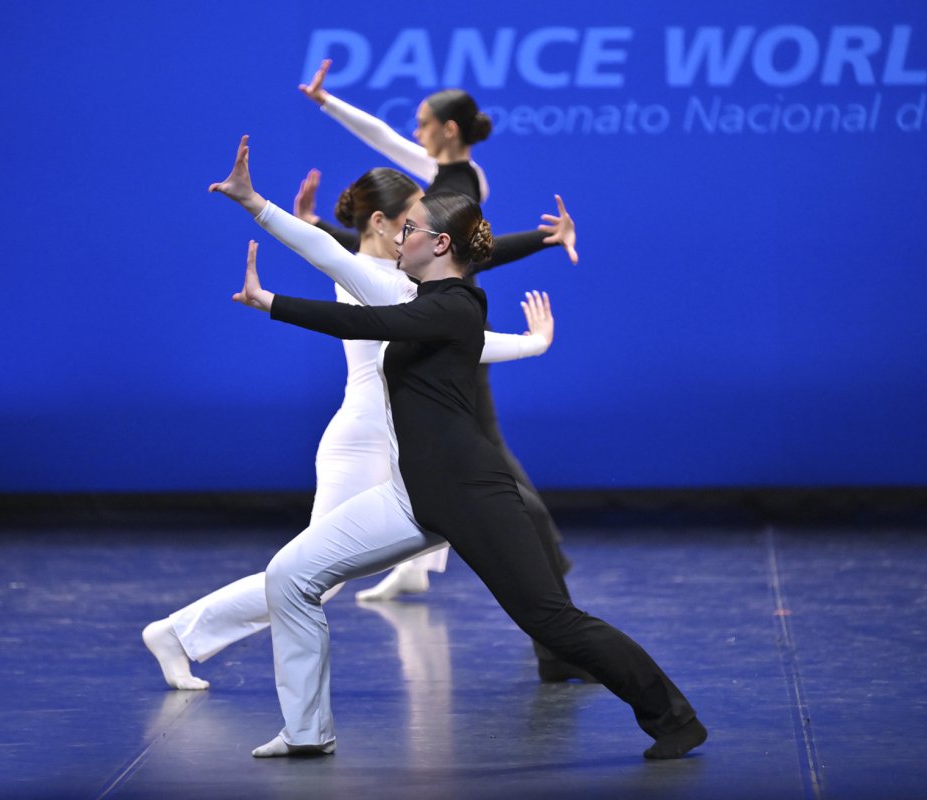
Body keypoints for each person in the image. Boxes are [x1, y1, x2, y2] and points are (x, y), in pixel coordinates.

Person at [222, 136, 707, 761]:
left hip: (471, 493)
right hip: (414, 494)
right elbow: (337, 265)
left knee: (553, 620)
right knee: (290, 576)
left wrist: (271, 304)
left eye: (412, 230)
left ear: (439, 244)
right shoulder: (424, 298)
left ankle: (675, 718)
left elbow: (367, 324)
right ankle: (307, 731)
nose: (401, 238)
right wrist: (255, 204)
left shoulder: (453, 306)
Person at [142, 159, 561, 691]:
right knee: (312, 577)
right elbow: (321, 248)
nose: (419, 233)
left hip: (392, 440)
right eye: (410, 221)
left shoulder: (404, 280)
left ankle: (181, 635)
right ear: (382, 224)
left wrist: (534, 343)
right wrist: (254, 203)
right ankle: (177, 634)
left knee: (349, 562)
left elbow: (465, 338)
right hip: (363, 441)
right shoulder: (375, 276)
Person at [298, 63, 588, 683]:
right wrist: (328, 104)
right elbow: (383, 153)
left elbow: (464, 251)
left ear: (447, 129)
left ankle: (553, 616)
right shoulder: (448, 178)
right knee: (492, 486)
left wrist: (540, 245)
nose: (413, 132)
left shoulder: (455, 183)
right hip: (444, 337)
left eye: (423, 123)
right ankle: (545, 611)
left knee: (504, 488)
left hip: (449, 341)